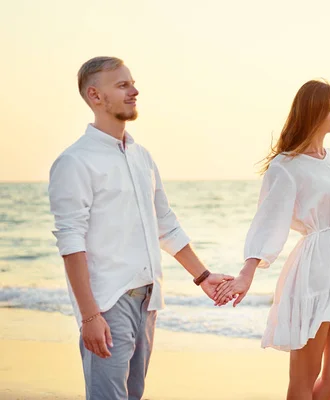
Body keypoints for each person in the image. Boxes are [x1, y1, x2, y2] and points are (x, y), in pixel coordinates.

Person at [48, 56, 232, 400]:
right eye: (122, 85)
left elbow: (166, 224)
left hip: (148, 299)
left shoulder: (141, 156)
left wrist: (203, 276)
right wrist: (90, 316)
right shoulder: (75, 161)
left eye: (132, 83)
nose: (134, 91)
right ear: (95, 96)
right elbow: (71, 243)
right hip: (108, 302)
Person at [214, 79, 330, 399]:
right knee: (303, 380)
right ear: (312, 111)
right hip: (314, 274)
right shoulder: (285, 166)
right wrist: (248, 272)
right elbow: (268, 222)